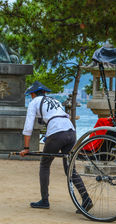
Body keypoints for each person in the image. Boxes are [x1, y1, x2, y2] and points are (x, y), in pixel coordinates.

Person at [20, 81, 93, 212]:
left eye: (31, 95)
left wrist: (26, 148)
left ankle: (44, 200)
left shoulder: (34, 102)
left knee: (45, 164)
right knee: (70, 168)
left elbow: (28, 126)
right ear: (44, 92)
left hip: (57, 133)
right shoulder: (55, 101)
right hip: (70, 132)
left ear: (33, 94)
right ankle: (86, 198)